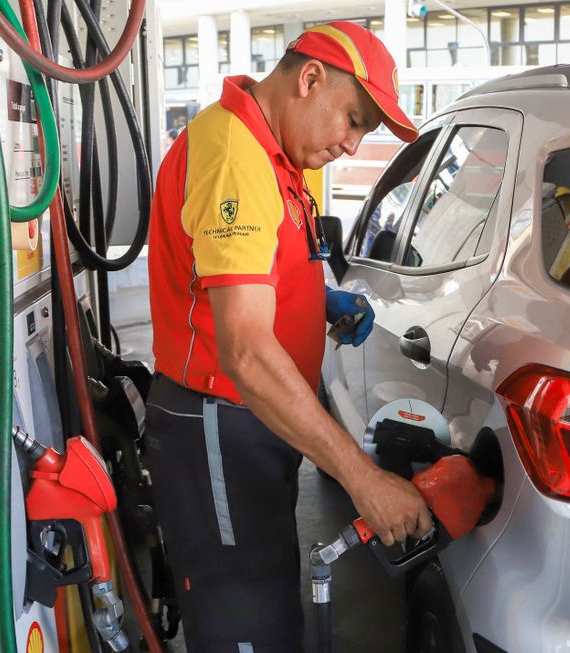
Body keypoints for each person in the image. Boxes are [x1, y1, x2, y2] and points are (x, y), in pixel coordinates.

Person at [144, 22, 432, 652]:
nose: (353, 145)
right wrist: (363, 478)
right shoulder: (233, 155)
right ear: (310, 80)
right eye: (353, 120)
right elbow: (244, 349)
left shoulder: (273, 152)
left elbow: (246, 275)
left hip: (253, 423)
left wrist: (315, 300)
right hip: (218, 424)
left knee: (265, 600)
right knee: (246, 623)